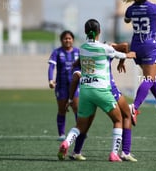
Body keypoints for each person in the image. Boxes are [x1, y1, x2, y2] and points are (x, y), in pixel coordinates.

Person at [57, 19, 136, 162]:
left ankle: (66, 142)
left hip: (85, 91)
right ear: (99, 31)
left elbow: (78, 65)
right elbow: (124, 53)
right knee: (118, 120)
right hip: (102, 90)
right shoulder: (105, 48)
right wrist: (131, 55)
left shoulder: (81, 48)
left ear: (85, 32)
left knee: (80, 125)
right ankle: (114, 153)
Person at [70, 42, 138, 161]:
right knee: (126, 115)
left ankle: (76, 151)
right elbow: (125, 46)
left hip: (91, 89)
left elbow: (76, 65)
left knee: (86, 123)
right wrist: (123, 59)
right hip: (107, 87)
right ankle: (125, 152)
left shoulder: (86, 50)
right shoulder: (106, 48)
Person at [47, 30, 80, 141]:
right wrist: (51, 80)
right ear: (61, 40)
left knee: (76, 108)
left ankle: (79, 130)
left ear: (73, 40)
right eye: (65, 38)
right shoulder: (57, 52)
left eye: (69, 38)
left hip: (75, 86)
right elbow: (51, 67)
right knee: (62, 109)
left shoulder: (78, 52)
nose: (67, 40)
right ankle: (61, 134)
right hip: (61, 86)